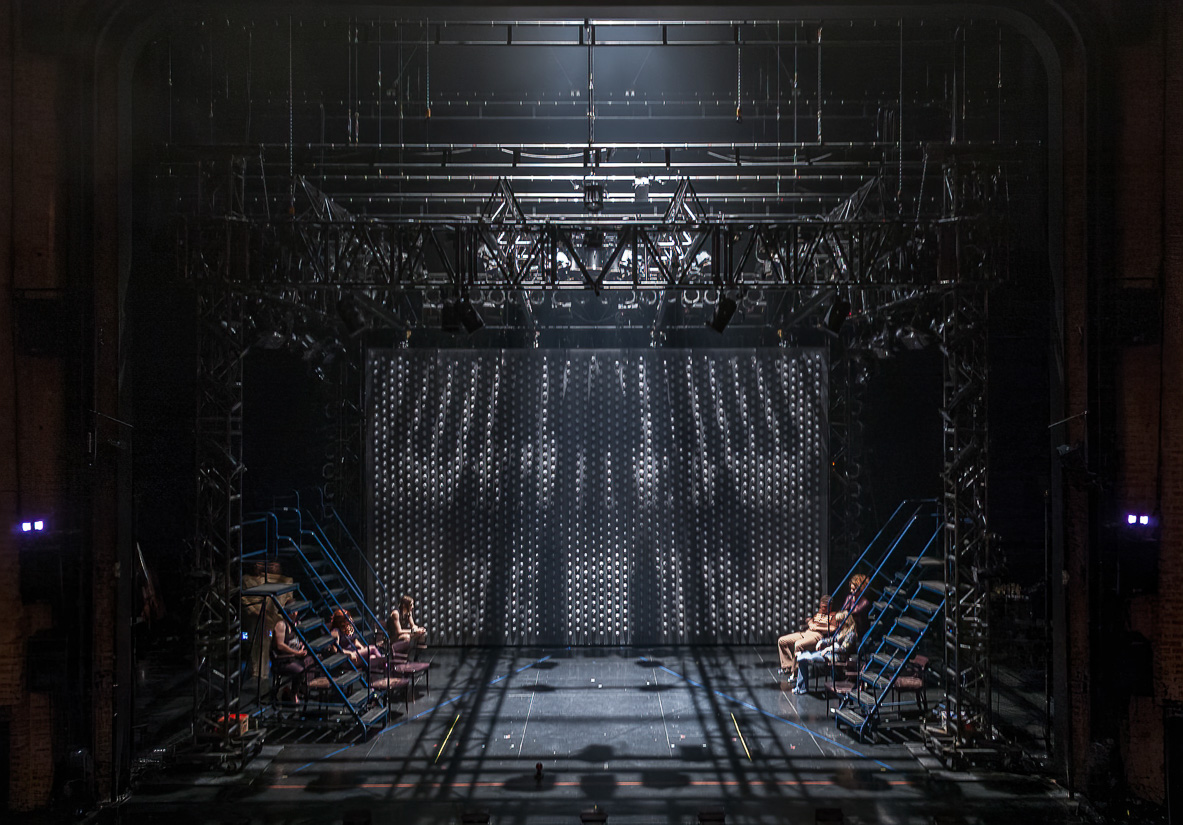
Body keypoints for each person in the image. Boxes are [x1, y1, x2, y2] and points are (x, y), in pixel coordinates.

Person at [793, 615, 859, 695]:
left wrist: (829, 648)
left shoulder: (851, 634)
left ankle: (804, 655)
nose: (838, 624)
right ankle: (801, 688)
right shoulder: (842, 631)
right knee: (803, 661)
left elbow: (844, 649)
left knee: (810, 657)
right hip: (831, 653)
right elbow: (832, 639)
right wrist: (822, 641)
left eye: (840, 622)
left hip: (839, 656)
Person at [777, 595, 835, 674]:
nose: (822, 609)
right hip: (807, 632)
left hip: (817, 635)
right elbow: (811, 621)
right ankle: (788, 666)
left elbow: (833, 628)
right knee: (782, 641)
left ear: (830, 606)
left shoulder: (833, 615)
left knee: (798, 644)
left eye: (824, 607)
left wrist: (817, 628)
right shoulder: (819, 613)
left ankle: (795, 672)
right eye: (821, 607)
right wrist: (810, 622)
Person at [271, 606, 311, 703]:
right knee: (300, 670)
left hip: (295, 657)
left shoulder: (296, 624)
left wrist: (301, 647)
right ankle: (293, 694)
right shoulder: (281, 625)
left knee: (312, 662)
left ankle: (301, 688)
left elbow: (299, 640)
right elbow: (280, 645)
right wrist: (296, 653)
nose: (295, 613)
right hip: (283, 660)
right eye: (292, 611)